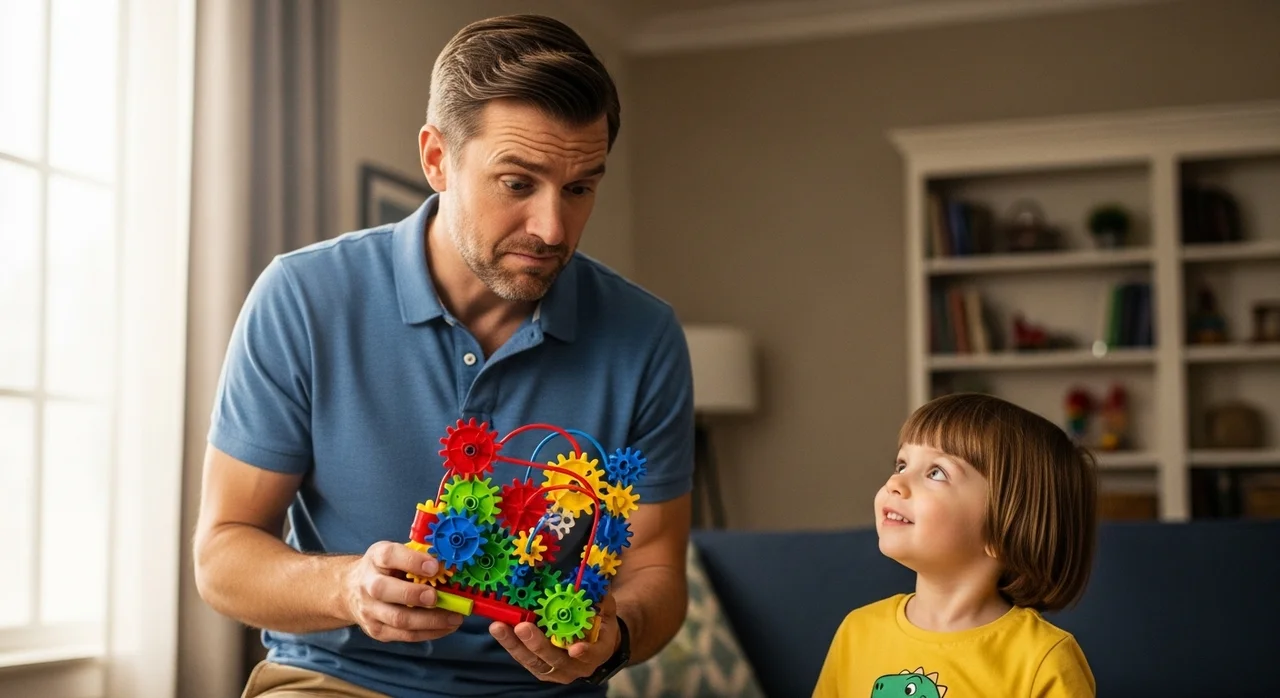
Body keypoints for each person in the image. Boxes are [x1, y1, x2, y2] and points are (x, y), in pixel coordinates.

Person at [193, 14, 694, 698]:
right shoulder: (303, 297)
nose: (552, 227)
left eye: (580, 188)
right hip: (337, 682)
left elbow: (656, 572)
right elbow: (222, 554)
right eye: (518, 183)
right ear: (437, 159)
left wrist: (614, 639)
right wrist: (349, 588)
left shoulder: (647, 335)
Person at [813, 393, 1097, 697]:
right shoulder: (857, 632)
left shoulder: (1043, 659)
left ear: (1003, 531)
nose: (895, 483)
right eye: (901, 465)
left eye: (936, 473)